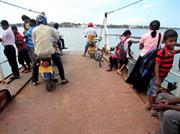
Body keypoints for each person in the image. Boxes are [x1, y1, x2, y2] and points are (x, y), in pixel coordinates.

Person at [146, 29, 180, 114]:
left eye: (175, 41)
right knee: (153, 92)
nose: (173, 43)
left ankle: (149, 103)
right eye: (170, 41)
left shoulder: (171, 51)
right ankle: (153, 107)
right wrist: (157, 79)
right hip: (157, 76)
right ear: (164, 41)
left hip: (163, 76)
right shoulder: (162, 52)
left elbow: (175, 51)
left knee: (153, 90)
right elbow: (156, 65)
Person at [126, 20, 162, 93]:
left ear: (150, 26)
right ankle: (143, 89)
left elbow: (140, 47)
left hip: (143, 57)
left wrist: (143, 45)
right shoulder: (161, 35)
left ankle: (137, 88)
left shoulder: (145, 35)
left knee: (139, 72)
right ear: (158, 27)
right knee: (147, 74)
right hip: (154, 58)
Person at [31, 15, 69, 85]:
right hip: (50, 52)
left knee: (35, 65)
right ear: (45, 21)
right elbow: (57, 37)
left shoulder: (34, 30)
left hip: (39, 53)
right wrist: (55, 41)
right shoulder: (49, 29)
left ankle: (34, 81)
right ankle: (63, 79)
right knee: (59, 63)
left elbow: (34, 42)